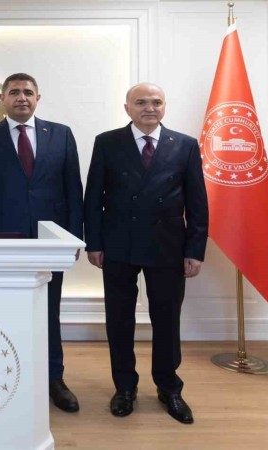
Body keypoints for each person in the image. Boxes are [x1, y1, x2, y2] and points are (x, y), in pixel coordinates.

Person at [83, 82, 208, 424]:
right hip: (118, 244)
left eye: (156, 102)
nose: (149, 108)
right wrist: (94, 243)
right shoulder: (107, 142)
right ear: (127, 108)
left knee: (167, 319)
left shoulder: (184, 144)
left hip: (169, 245)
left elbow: (198, 202)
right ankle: (125, 387)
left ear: (165, 107)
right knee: (119, 320)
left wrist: (195, 249)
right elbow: (93, 197)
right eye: (141, 102)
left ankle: (169, 388)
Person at [0, 73, 83, 413]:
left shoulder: (61, 134)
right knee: (0, 310)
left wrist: (73, 238)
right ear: (2, 99)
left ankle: (54, 378)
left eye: (28, 92)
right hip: (1, 240)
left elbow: (73, 188)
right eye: (15, 92)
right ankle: (1, 376)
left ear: (38, 98)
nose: (22, 97)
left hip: (50, 241)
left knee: (49, 310)